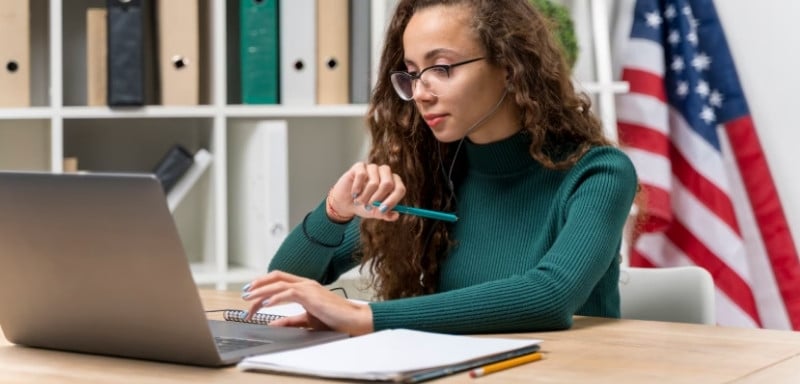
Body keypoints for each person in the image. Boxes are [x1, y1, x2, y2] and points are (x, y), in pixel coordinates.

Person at [241, 0, 638, 336]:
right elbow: (283, 280)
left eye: (442, 68)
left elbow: (550, 296)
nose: (420, 93)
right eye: (412, 74)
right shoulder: (428, 177)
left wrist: (365, 316)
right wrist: (334, 211)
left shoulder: (598, 173)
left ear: (510, 66)